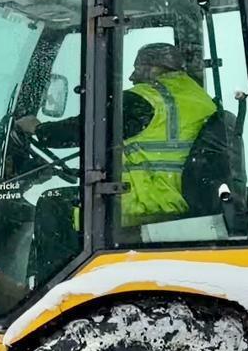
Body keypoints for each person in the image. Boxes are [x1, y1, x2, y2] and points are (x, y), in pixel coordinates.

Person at [18, 41, 216, 226]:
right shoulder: (201, 99)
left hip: (149, 201)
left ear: (155, 68)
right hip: (182, 199)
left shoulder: (144, 99)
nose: (131, 77)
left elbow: (83, 129)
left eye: (137, 69)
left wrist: (38, 129)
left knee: (52, 204)